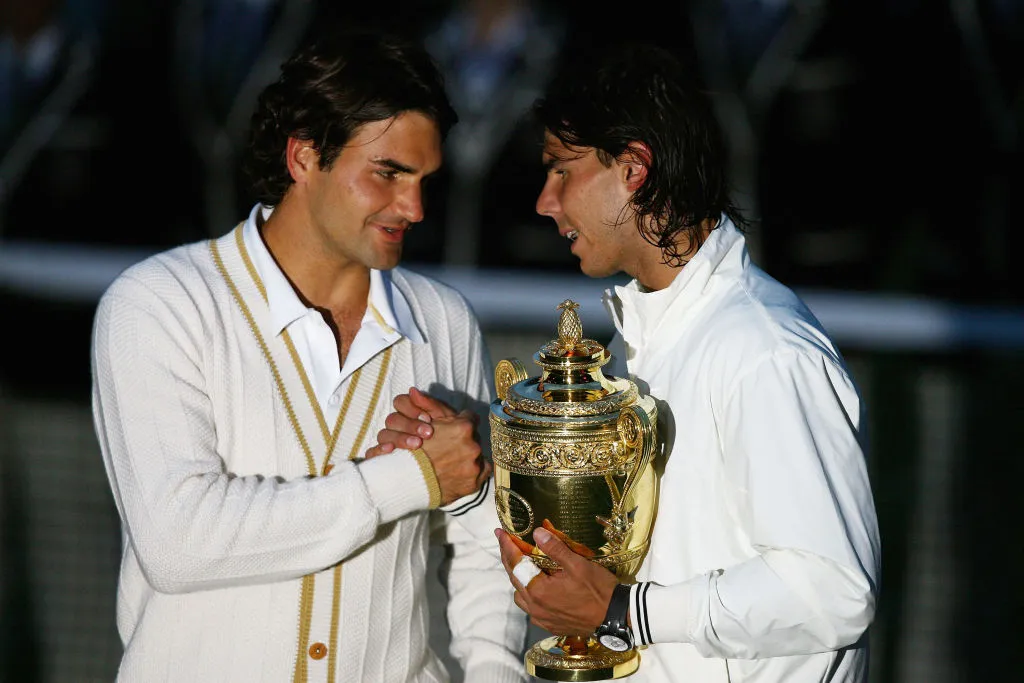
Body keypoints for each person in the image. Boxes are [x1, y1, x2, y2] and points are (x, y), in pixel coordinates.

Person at [372, 40, 881, 682]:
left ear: (634, 168)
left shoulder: (763, 350)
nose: (544, 202)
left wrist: (623, 612)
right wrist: (472, 483)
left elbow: (832, 593)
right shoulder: (639, 344)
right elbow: (600, 561)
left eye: (562, 170)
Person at [89, 24, 528, 683]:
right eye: (387, 174)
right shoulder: (159, 303)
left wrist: (495, 671)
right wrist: (407, 479)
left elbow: (481, 540)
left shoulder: (444, 321)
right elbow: (179, 541)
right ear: (302, 158)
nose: (413, 206)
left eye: (424, 180)